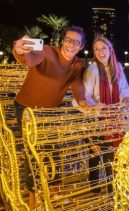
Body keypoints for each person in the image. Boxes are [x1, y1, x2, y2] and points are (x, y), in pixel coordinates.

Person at [12, 25, 91, 208]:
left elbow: (77, 84)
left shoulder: (77, 64)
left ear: (81, 46)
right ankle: (34, 195)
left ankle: (54, 191)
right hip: (25, 108)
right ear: (62, 41)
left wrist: (82, 101)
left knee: (53, 150)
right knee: (31, 152)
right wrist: (19, 51)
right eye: (68, 40)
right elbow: (30, 59)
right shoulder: (47, 51)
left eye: (76, 42)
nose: (71, 45)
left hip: (48, 112)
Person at [75, 35, 129, 193]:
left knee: (111, 157)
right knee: (95, 157)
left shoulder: (118, 67)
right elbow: (85, 95)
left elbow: (123, 89)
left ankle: (112, 191)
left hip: (114, 119)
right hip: (97, 119)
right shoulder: (93, 69)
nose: (100, 52)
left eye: (103, 48)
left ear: (110, 49)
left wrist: (126, 98)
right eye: (96, 49)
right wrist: (95, 106)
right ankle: (94, 192)